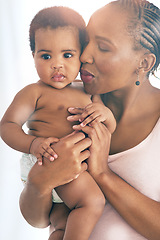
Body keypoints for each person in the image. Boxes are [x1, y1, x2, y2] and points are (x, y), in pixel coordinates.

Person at [3, 0, 160, 239]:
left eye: (103, 47)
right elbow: (38, 220)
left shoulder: (94, 105)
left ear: (144, 62)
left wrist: (102, 174)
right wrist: (39, 182)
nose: (84, 55)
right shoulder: (71, 101)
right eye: (86, 41)